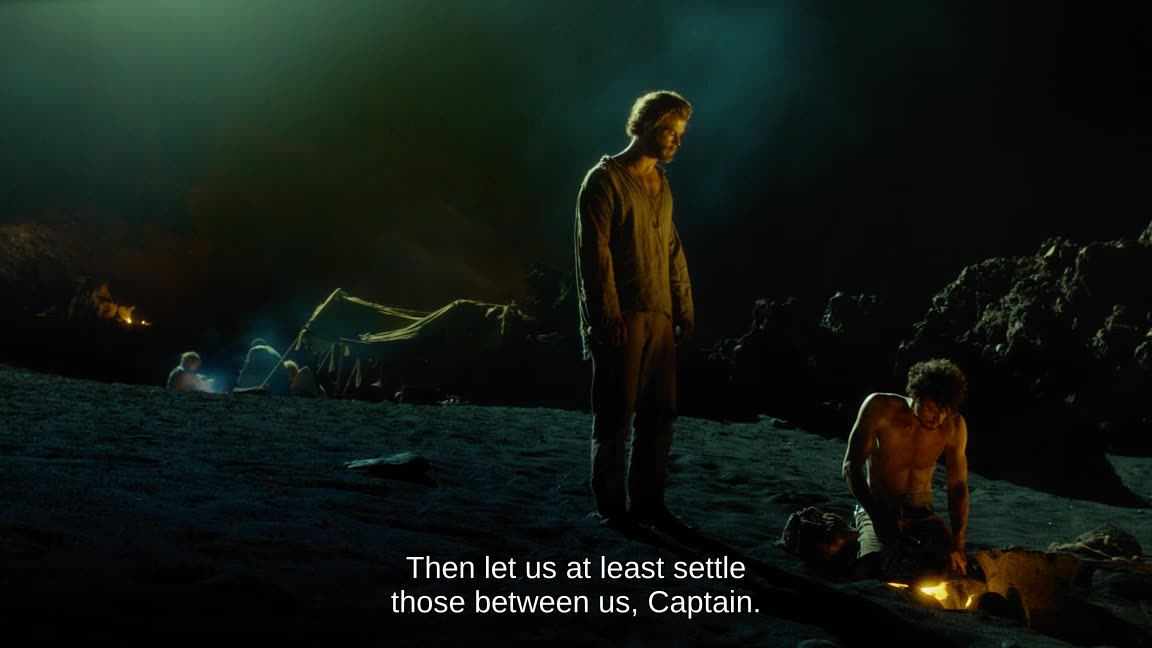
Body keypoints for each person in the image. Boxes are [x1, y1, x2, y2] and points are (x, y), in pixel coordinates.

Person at [574, 90, 695, 528]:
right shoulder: (603, 181)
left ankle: (648, 501)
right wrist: (607, 316)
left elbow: (671, 248)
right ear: (645, 125)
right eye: (670, 131)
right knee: (615, 413)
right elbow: (595, 255)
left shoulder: (661, 184)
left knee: (659, 413)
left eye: (681, 133)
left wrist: (682, 307)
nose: (676, 140)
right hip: (624, 317)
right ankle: (611, 505)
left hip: (659, 314)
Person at [842, 358, 970, 582]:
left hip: (923, 514)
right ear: (916, 395)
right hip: (878, 507)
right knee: (874, 570)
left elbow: (958, 486)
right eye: (932, 408)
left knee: (954, 572)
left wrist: (957, 542)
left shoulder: (954, 426)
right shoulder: (880, 408)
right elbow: (850, 467)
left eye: (944, 411)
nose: (938, 418)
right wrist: (876, 515)